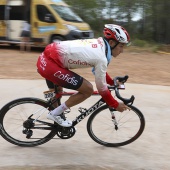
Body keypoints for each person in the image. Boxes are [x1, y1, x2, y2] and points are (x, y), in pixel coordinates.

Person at [37, 24, 131, 127]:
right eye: (121, 46)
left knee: (58, 94)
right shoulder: (101, 58)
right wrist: (115, 104)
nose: (122, 50)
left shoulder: (100, 45)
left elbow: (98, 72)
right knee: (88, 90)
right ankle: (54, 113)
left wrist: (111, 82)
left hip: (46, 58)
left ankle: (57, 119)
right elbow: (102, 89)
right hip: (51, 64)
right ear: (112, 43)